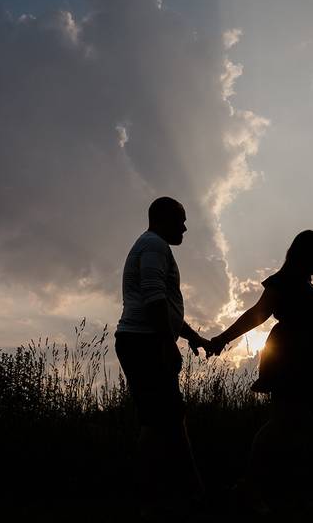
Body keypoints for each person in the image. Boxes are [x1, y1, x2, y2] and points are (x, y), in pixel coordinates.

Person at [208, 230, 313, 520]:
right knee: (281, 425)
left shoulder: (305, 285)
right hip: (290, 359)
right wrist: (222, 338)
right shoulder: (281, 282)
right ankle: (250, 490)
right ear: (305, 255)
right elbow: (257, 314)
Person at [115, 196, 212, 519]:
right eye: (180, 219)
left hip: (143, 340)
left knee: (165, 420)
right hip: (144, 342)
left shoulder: (151, 246)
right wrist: (166, 345)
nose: (185, 227)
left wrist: (193, 337)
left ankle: (181, 493)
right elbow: (154, 296)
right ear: (163, 218)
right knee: (161, 422)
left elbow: (163, 306)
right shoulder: (155, 247)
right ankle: (158, 498)